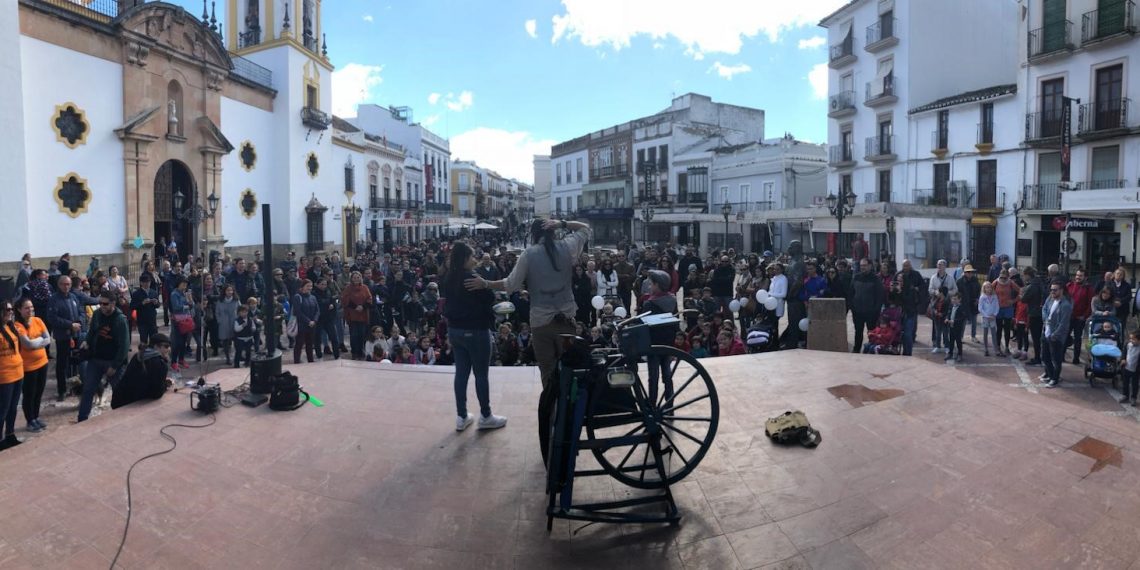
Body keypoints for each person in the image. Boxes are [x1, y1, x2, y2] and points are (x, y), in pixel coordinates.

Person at [465, 218, 590, 461]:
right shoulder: (568, 247)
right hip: (567, 320)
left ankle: (554, 423)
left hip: (541, 323)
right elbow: (585, 228)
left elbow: (510, 285)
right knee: (572, 373)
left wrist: (485, 284)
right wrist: (563, 222)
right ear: (554, 231)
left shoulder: (529, 255)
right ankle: (572, 419)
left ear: (532, 234)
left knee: (549, 376)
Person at [444, 242, 507, 431]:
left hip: (455, 331)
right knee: (481, 374)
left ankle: (462, 416)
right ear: (464, 258)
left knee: (461, 373)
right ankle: (486, 416)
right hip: (476, 331)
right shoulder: (471, 277)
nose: (475, 259)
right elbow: (489, 298)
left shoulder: (449, 277)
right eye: (472, 256)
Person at [45, 275, 100, 402]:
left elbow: (81, 311)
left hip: (76, 334)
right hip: (63, 336)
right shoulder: (54, 299)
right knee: (62, 364)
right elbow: (52, 317)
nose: (66, 286)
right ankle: (62, 390)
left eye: (68, 284)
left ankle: (77, 387)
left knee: (77, 361)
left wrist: (79, 322)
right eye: (63, 284)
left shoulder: (74, 297)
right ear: (59, 285)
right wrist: (70, 325)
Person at [78, 291, 129, 422]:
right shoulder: (97, 314)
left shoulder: (120, 320)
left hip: (112, 361)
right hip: (95, 359)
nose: (102, 306)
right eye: (100, 303)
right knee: (88, 389)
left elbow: (124, 346)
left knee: (119, 391)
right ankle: (82, 419)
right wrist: (87, 342)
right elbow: (92, 332)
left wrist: (115, 365)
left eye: (105, 303)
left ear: (113, 303)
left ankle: (121, 418)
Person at [13, 298, 50, 433]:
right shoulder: (18, 326)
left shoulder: (38, 320)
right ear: (19, 310)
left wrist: (37, 341)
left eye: (32, 307)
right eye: (27, 308)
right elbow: (28, 345)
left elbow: (48, 339)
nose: (31, 310)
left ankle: (36, 417)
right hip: (28, 367)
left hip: (43, 362)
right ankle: (30, 420)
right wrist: (40, 340)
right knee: (29, 394)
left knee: (39, 392)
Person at [111, 333, 171, 410]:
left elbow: (141, 379)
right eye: (166, 346)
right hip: (132, 405)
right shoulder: (160, 364)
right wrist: (165, 385)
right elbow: (156, 393)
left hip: (119, 400)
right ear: (156, 346)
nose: (169, 349)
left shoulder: (138, 355)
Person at [0, 301, 25, 450]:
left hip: (18, 372)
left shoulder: (11, 327)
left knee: (13, 407)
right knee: (3, 408)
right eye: (6, 309)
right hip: (4, 375)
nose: (10, 312)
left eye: (11, 309)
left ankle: (10, 434)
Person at [1041, 281, 1072, 388]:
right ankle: (1050, 375)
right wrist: (1045, 320)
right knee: (1045, 356)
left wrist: (1055, 335)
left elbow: (1063, 323)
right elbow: (1044, 309)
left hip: (1056, 336)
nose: (1052, 292)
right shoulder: (1050, 299)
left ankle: (1055, 378)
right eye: (1051, 289)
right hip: (1046, 332)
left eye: (1055, 290)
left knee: (1056, 359)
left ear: (1061, 290)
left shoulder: (1065, 305)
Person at [850, 258, 886, 353]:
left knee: (872, 332)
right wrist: (852, 307)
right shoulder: (856, 277)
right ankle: (856, 349)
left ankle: (870, 350)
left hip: (871, 312)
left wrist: (875, 310)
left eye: (865, 265)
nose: (863, 267)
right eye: (861, 265)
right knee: (858, 332)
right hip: (857, 311)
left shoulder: (875, 279)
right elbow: (851, 292)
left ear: (870, 266)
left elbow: (880, 296)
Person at [341, 271, 373, 360]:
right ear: (351, 279)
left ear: (360, 278)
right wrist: (356, 307)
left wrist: (363, 306)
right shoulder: (348, 288)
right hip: (352, 314)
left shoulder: (365, 287)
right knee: (354, 335)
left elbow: (369, 298)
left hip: (363, 314)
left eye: (358, 277)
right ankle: (354, 352)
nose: (356, 279)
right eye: (354, 277)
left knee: (362, 334)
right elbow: (344, 299)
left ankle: (361, 350)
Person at [1066, 268, 1095, 365]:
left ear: (1085, 277)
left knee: (1078, 338)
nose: (1078, 277)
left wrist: (1084, 316)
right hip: (1069, 316)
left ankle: (1076, 358)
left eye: (1080, 275)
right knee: (1065, 336)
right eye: (1077, 275)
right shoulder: (1069, 285)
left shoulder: (1088, 288)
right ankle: (1061, 356)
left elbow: (1090, 303)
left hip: (1080, 317)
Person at [291, 280, 320, 364]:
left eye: (311, 286)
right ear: (302, 287)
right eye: (307, 286)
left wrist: (314, 320)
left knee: (310, 344)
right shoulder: (297, 297)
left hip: (312, 325)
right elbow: (298, 312)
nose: (309, 288)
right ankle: (296, 361)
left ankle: (310, 360)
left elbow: (317, 310)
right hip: (302, 325)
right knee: (299, 344)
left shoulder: (313, 297)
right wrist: (308, 321)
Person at [131, 273, 161, 347]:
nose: (147, 284)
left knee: (154, 340)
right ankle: (143, 356)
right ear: (141, 283)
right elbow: (132, 306)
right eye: (145, 282)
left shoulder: (153, 292)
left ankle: (152, 356)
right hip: (142, 321)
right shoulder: (136, 293)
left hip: (152, 320)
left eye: (148, 282)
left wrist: (156, 303)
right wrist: (142, 303)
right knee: (143, 341)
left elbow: (158, 305)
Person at [944, 292, 966, 363]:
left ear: (959, 300)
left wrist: (954, 321)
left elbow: (962, 318)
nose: (953, 300)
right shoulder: (951, 306)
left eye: (955, 299)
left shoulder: (961, 308)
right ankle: (950, 353)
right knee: (951, 341)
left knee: (958, 341)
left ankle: (960, 354)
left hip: (958, 327)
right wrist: (947, 318)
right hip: (951, 327)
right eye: (953, 299)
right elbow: (948, 313)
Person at [1121, 329, 1139, 406]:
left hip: (1136, 369)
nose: (1131, 340)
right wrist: (1123, 359)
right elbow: (1124, 353)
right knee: (1125, 383)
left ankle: (1133, 398)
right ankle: (1125, 395)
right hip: (1126, 367)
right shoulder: (1127, 344)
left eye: (1133, 339)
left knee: (1134, 384)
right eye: (1130, 338)